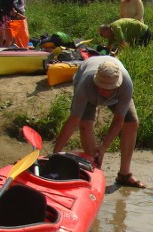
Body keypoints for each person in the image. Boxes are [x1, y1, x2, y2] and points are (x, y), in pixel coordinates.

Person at [53, 56, 146, 188]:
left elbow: (119, 120)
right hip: (88, 92)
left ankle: (124, 175)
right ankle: (93, 169)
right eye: (101, 87)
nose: (104, 92)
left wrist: (103, 148)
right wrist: (55, 154)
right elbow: (73, 121)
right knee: (85, 125)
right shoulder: (85, 83)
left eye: (109, 88)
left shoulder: (126, 84)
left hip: (116, 98)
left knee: (132, 122)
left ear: (117, 84)